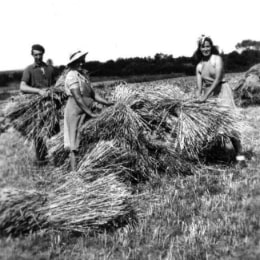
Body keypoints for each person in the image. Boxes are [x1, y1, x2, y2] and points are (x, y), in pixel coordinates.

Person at [194, 35, 246, 164]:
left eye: (207, 46)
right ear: (199, 48)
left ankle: (240, 155)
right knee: (213, 126)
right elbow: (199, 87)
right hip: (211, 95)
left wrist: (205, 96)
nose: (205, 48)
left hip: (222, 91)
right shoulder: (199, 66)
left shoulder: (216, 59)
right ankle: (219, 154)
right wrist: (197, 99)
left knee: (229, 125)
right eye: (203, 46)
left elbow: (217, 79)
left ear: (211, 47)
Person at [64, 50, 113, 171]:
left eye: (82, 61)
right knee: (74, 143)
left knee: (85, 138)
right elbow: (78, 98)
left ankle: (86, 168)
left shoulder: (82, 76)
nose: (81, 64)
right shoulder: (71, 75)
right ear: (73, 63)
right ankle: (74, 175)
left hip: (84, 111)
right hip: (75, 111)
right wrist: (90, 113)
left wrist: (107, 103)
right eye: (78, 62)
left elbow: (93, 94)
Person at [20, 44, 55, 165]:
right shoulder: (29, 69)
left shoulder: (50, 69)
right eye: (35, 55)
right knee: (39, 133)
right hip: (36, 106)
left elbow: (55, 86)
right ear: (32, 55)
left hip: (51, 105)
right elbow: (22, 87)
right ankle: (42, 160)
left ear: (43, 54)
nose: (38, 57)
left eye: (40, 54)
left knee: (54, 130)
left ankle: (56, 156)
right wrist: (39, 91)